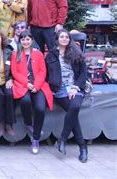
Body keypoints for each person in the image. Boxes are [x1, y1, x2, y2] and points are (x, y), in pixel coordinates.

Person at [46, 29, 88, 163]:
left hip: (76, 86)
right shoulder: (51, 55)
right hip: (60, 90)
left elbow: (83, 72)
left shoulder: (76, 53)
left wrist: (75, 87)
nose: (64, 39)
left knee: (74, 107)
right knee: (72, 112)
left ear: (69, 39)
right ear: (57, 39)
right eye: (62, 37)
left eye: (66, 37)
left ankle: (62, 139)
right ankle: (82, 147)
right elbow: (48, 74)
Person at [10, 31, 53, 154]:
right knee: (25, 101)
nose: (25, 42)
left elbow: (42, 71)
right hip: (23, 85)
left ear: (32, 40)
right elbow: (15, 72)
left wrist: (36, 85)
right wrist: (26, 83)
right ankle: (29, 124)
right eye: (23, 39)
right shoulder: (15, 54)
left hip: (38, 85)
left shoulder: (38, 54)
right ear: (20, 41)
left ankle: (35, 138)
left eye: (28, 39)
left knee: (40, 108)